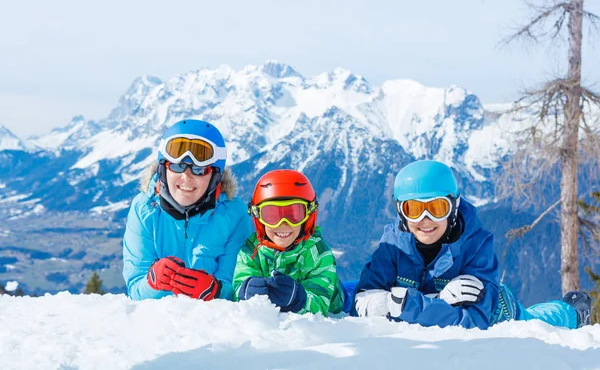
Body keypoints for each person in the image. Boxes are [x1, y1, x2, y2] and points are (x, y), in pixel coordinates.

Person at [352, 160, 591, 329]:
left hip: (497, 309)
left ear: (453, 208)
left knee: (536, 324)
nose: (425, 220)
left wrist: (405, 304)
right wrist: (436, 303)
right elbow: (364, 298)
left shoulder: (475, 244)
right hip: (438, 302)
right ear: (401, 212)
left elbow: (474, 322)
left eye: (437, 208)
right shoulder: (394, 244)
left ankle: (572, 310)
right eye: (413, 209)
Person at [122, 119, 253, 301]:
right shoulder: (144, 209)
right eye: (176, 166)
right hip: (155, 323)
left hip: (215, 325)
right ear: (163, 170)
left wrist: (215, 291)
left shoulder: (234, 215)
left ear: (215, 176)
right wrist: (152, 282)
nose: (186, 177)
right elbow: (135, 290)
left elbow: (241, 289)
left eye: (199, 170)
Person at [232, 169, 345, 315]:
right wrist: (244, 290)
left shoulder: (318, 252)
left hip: (336, 306)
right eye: (271, 215)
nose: (283, 223)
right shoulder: (251, 251)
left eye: (294, 214)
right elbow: (238, 286)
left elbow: (322, 302)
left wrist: (299, 299)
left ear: (308, 216)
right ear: (258, 218)